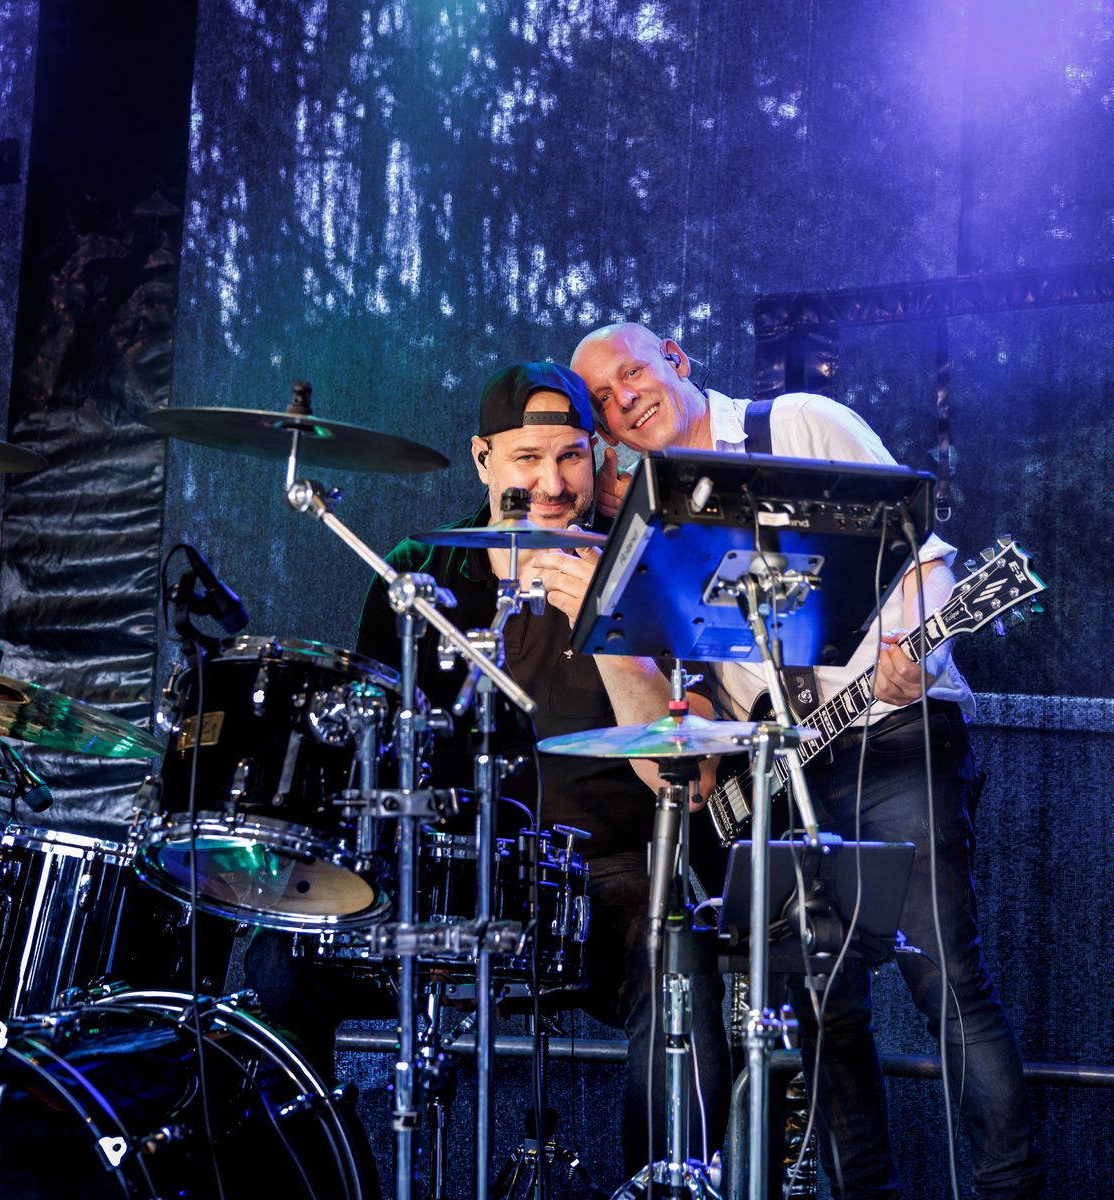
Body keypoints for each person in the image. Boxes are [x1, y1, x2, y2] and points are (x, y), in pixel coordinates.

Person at [570, 322, 1044, 1199]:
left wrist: (918, 651)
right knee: (825, 1013)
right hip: (783, 769)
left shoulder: (797, 423)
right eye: (601, 399)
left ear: (675, 358)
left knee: (945, 981)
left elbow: (925, 564)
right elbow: (703, 682)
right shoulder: (658, 513)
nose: (622, 399)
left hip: (894, 735)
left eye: (630, 373)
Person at [352, 361, 732, 1177]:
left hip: (607, 874)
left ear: (598, 455)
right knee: (280, 967)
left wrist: (607, 626)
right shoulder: (418, 574)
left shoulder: (651, 568)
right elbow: (373, 754)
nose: (553, 485)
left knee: (678, 963)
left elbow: (689, 782)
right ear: (483, 459)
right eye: (527, 459)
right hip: (447, 874)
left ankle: (661, 1190)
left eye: (570, 457)